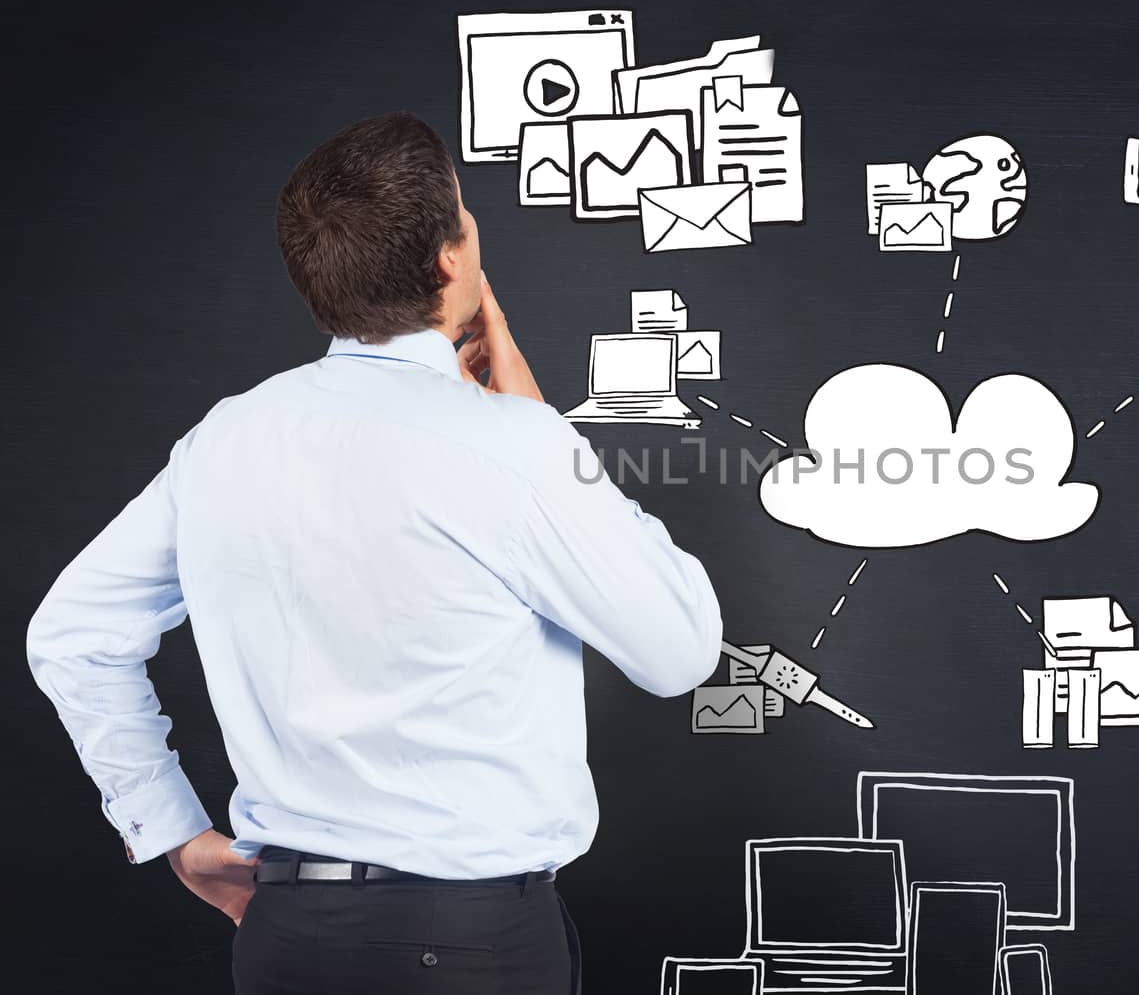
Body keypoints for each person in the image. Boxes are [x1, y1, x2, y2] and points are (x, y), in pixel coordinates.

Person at [26, 111, 723, 993]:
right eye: (466, 218)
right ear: (448, 260)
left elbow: (71, 633)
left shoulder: (225, 439)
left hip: (287, 937)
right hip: (471, 947)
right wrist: (543, 429)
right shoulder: (515, 444)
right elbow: (681, 650)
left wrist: (168, 825)